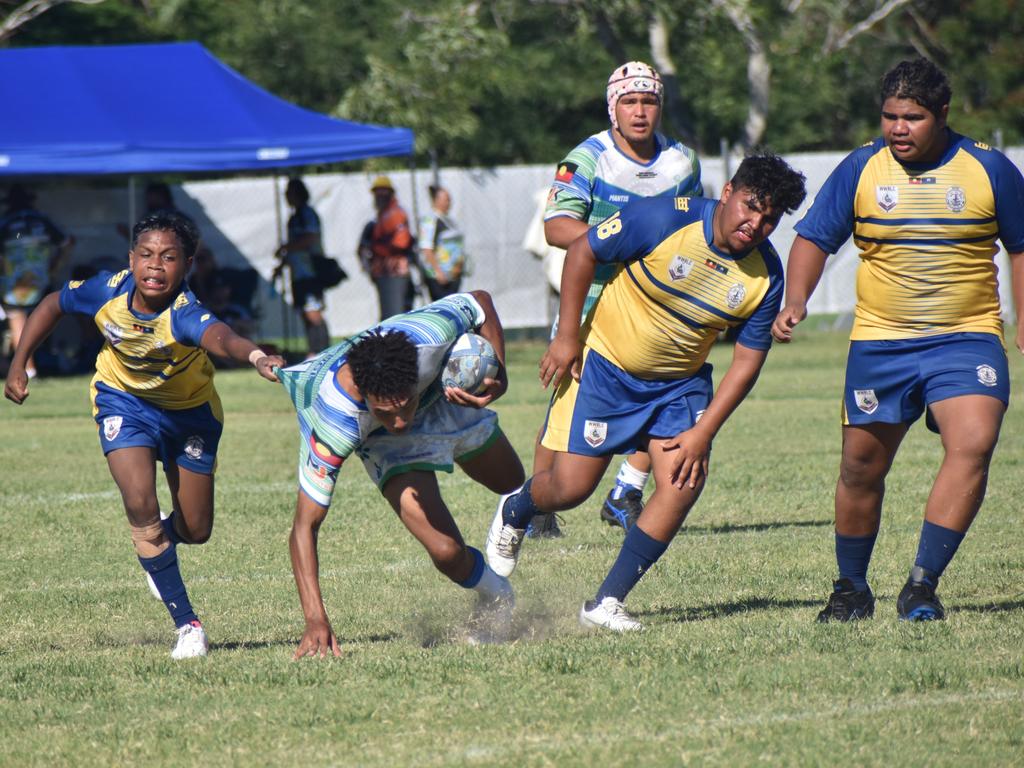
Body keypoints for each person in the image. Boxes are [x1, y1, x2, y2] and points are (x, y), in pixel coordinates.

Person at [485, 153, 807, 631]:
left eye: (769, 218)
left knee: (683, 481)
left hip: (678, 387)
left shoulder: (766, 275)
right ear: (728, 193)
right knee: (569, 489)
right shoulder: (664, 217)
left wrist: (703, 432)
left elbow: (746, 362)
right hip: (607, 370)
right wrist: (567, 336)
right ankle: (517, 508)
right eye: (750, 206)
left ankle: (606, 602)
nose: (755, 223)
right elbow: (581, 253)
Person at [772, 58, 1024, 623]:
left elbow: (1021, 242)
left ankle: (921, 585)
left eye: (912, 117)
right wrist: (796, 300)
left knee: (975, 444)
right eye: (889, 116)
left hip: (967, 338)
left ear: (942, 115)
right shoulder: (862, 167)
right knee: (861, 470)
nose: (898, 128)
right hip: (881, 344)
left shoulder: (988, 169)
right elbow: (814, 238)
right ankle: (851, 589)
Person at [3, 212, 286, 658]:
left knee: (195, 529)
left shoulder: (185, 313)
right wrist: (19, 363)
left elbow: (222, 337)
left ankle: (159, 550)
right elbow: (52, 305)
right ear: (131, 258)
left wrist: (254, 356)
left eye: (169, 257)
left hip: (190, 416)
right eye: (147, 255)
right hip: (123, 402)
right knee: (140, 502)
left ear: (187, 264)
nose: (156, 266)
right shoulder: (105, 291)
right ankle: (188, 625)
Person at [277, 290, 523, 656]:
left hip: (439, 396)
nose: (400, 420)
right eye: (386, 410)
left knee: (513, 483)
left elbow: (479, 300)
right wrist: (315, 619)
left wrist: (499, 372)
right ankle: (497, 594)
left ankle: (525, 514)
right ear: (365, 395)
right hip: (382, 442)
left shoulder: (429, 336)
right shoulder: (335, 421)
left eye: (402, 406)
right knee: (445, 551)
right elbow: (303, 527)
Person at [533, 60, 703, 539]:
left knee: (660, 393)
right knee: (566, 407)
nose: (640, 111)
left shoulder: (682, 161)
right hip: (590, 299)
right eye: (629, 101)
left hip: (656, 301)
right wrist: (618, 241)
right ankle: (539, 507)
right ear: (613, 108)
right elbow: (556, 227)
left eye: (649, 101)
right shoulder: (587, 158)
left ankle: (626, 487)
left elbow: (692, 224)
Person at [0, 184, 75, 379]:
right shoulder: (42, 220)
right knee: (41, 321)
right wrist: (54, 267)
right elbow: (67, 242)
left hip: (13, 282)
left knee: (18, 321)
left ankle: (28, 369)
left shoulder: (5, 222)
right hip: (41, 279)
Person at [273, 178, 331, 357]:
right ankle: (314, 350)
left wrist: (286, 248)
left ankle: (321, 351)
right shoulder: (294, 217)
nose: (286, 197)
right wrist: (282, 264)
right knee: (305, 313)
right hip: (298, 274)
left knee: (313, 313)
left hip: (310, 273)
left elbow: (310, 238)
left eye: (289, 193)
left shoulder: (307, 214)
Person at [359, 175, 415, 320]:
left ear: (390, 194)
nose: (379, 197)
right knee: (388, 315)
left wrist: (376, 249)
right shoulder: (381, 215)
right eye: (377, 193)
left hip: (395, 271)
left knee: (395, 316)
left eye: (383, 192)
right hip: (384, 271)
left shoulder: (395, 214)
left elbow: (402, 242)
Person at [418, 185, 467, 301]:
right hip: (440, 277)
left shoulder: (448, 220)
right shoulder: (430, 221)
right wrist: (438, 271)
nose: (449, 203)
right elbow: (426, 248)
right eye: (446, 199)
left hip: (453, 275)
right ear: (436, 200)